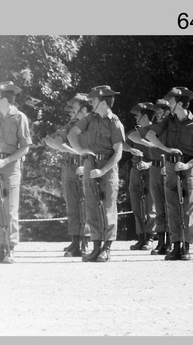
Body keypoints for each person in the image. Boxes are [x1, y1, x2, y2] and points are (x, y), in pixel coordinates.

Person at [143, 87, 193, 261]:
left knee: (188, 208)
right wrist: (166, 149)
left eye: (171, 101)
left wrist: (188, 164)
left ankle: (186, 247)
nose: (168, 104)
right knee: (172, 207)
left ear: (180, 103)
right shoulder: (168, 120)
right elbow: (150, 135)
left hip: (187, 169)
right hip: (171, 167)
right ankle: (176, 246)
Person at [68, 85, 125, 262]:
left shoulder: (115, 122)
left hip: (107, 166)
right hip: (90, 163)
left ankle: (106, 249)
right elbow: (72, 134)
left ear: (103, 102)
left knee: (108, 207)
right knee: (91, 206)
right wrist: (81, 151)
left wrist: (103, 170)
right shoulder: (90, 118)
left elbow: (118, 152)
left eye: (94, 100)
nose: (91, 102)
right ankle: (95, 247)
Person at [44, 93, 90, 257]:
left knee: (85, 204)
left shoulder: (92, 124)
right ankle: (75, 240)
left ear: (84, 109)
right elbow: (51, 141)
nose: (71, 111)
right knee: (72, 205)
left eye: (75, 108)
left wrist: (82, 157)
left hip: (86, 165)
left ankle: (84, 241)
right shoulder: (71, 125)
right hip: (71, 166)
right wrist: (74, 151)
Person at [129, 99, 172, 255]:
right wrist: (149, 144)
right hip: (154, 167)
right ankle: (160, 241)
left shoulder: (171, 127)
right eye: (156, 111)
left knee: (165, 206)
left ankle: (167, 240)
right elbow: (132, 137)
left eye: (160, 110)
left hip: (165, 166)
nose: (157, 113)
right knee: (159, 206)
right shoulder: (152, 128)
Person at [0, 81, 32, 263]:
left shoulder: (20, 117)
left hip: (10, 165)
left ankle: (10, 247)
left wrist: (5, 160)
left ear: (3, 99)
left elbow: (25, 147)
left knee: (10, 208)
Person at [124, 102, 157, 251]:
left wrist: (149, 165)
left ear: (145, 115)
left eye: (138, 115)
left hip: (151, 170)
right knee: (136, 205)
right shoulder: (135, 132)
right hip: (136, 170)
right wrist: (131, 149)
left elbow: (162, 154)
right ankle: (141, 236)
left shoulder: (156, 131)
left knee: (150, 205)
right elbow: (122, 143)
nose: (136, 117)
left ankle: (150, 236)